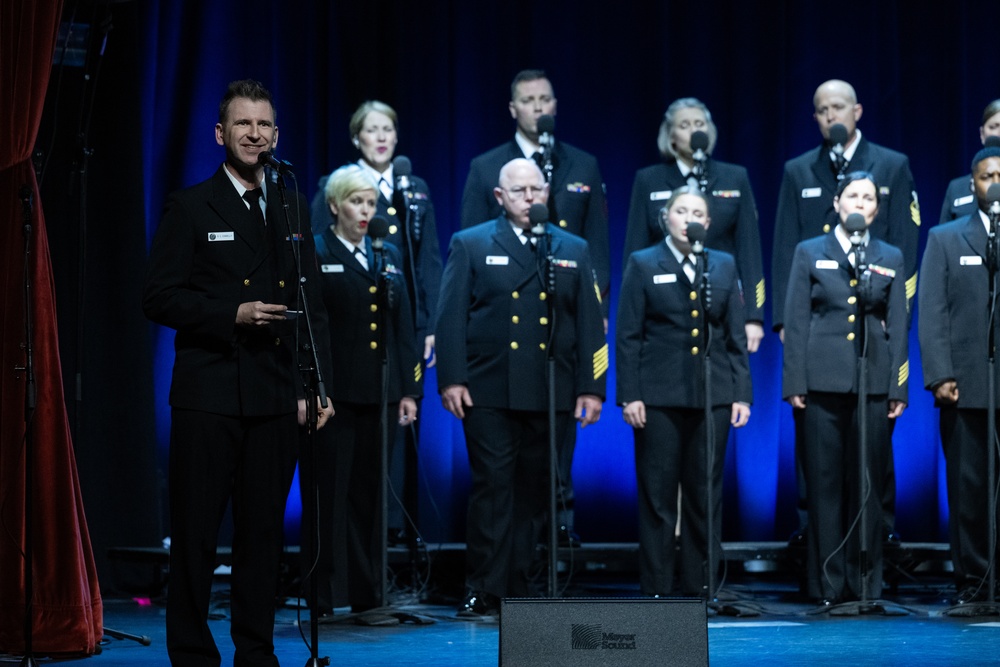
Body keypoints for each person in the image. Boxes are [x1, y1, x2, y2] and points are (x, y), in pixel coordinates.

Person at [142, 79, 334, 666]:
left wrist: (318, 384)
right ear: (221, 134)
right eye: (244, 125)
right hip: (210, 393)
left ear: (277, 134)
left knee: (262, 538)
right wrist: (233, 312)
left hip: (275, 393)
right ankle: (194, 655)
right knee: (197, 538)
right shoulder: (192, 204)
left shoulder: (291, 203)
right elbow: (159, 297)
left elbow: (313, 302)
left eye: (265, 125)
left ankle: (256, 652)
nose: (256, 135)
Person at [436, 158, 606, 616]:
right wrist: (451, 377)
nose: (529, 198)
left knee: (536, 492)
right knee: (492, 488)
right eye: (519, 191)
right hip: (489, 388)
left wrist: (593, 386)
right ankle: (483, 586)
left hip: (552, 389)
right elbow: (450, 316)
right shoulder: (471, 243)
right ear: (499, 198)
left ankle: (520, 583)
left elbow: (591, 323)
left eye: (536, 189)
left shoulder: (572, 247)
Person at [459, 69, 610, 545]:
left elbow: (597, 247)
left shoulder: (580, 164)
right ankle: (492, 580)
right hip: (502, 340)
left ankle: (552, 560)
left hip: (562, 325)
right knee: (498, 479)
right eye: (529, 100)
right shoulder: (487, 167)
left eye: (546, 98)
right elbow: (469, 250)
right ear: (513, 108)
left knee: (549, 471)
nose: (539, 108)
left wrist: (597, 310)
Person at [772, 79, 918, 544]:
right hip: (818, 332)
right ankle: (814, 534)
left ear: (857, 111)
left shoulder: (892, 166)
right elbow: (784, 247)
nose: (830, 115)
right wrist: (783, 324)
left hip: (876, 323)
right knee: (817, 449)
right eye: (821, 109)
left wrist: (899, 314)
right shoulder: (799, 170)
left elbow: (905, 246)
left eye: (838, 106)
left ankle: (880, 537)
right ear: (814, 117)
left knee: (873, 450)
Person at [311, 100, 442, 546]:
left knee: (400, 436)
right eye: (373, 130)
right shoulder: (338, 185)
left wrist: (430, 326)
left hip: (402, 330)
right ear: (357, 138)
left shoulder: (413, 188)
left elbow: (426, 263)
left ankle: (399, 538)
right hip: (348, 351)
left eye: (389, 129)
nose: (382, 137)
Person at [298, 165, 422, 623]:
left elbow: (403, 328)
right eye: (356, 202)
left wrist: (411, 391)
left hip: (380, 394)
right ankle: (324, 594)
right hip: (334, 396)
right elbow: (310, 326)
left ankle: (370, 592)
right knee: (328, 494)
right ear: (335, 205)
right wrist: (312, 389)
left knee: (372, 496)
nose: (366, 211)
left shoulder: (386, 254)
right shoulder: (317, 250)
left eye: (371, 203)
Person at [616, 186, 752, 597]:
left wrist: (742, 394)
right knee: (658, 495)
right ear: (666, 218)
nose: (689, 218)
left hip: (712, 395)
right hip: (657, 396)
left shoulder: (723, 265)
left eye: (698, 212)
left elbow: (734, 338)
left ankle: (701, 586)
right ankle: (656, 586)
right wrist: (630, 394)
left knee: (704, 493)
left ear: (707, 224)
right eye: (681, 210)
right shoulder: (643, 263)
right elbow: (628, 335)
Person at [782, 171, 908, 605]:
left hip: (872, 382)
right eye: (852, 195)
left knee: (867, 484)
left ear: (876, 207)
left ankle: (866, 584)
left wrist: (898, 387)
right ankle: (828, 584)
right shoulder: (809, 251)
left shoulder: (888, 254)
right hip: (822, 381)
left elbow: (899, 327)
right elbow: (796, 322)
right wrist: (794, 381)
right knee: (824, 483)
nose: (859, 202)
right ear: (837, 203)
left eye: (868, 196)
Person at [919, 146, 1000, 605]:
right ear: (974, 185)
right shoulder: (946, 238)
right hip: (965, 384)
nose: (996, 182)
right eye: (988, 176)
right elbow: (932, 312)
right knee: (969, 489)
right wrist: (939, 375)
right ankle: (973, 580)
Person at [623, 98, 765, 352]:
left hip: (722, 298)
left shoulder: (735, 177)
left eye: (700, 124)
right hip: (664, 304)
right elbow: (635, 247)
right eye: (685, 125)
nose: (694, 130)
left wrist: (754, 315)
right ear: (671, 136)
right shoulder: (649, 179)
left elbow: (750, 251)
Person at [939, 99, 1000, 224]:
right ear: (982, 134)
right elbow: (943, 237)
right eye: (994, 127)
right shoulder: (957, 188)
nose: (999, 133)